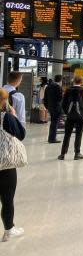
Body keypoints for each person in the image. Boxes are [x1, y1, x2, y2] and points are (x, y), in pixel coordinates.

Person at [0, 88, 26, 242]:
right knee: (7, 199)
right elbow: (21, 134)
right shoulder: (7, 117)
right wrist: (14, 116)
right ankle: (9, 230)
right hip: (5, 164)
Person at [58, 76, 83, 161]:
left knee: (67, 135)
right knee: (78, 134)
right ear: (81, 82)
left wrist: (67, 113)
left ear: (73, 81)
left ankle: (62, 154)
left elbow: (63, 103)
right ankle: (77, 154)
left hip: (70, 116)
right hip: (80, 117)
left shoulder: (68, 90)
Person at [43, 74, 63, 144]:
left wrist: (47, 107)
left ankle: (51, 137)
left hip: (50, 107)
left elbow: (45, 98)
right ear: (60, 80)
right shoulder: (58, 87)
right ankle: (52, 138)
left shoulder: (48, 87)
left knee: (52, 122)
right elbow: (60, 98)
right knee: (55, 123)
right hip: (56, 108)